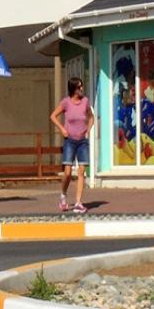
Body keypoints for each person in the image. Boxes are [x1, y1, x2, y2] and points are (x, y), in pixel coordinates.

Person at [51, 77, 94, 212]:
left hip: (82, 140)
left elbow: (91, 116)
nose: (81, 89)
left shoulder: (85, 101)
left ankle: (78, 203)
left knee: (82, 171)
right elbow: (53, 116)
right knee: (68, 172)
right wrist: (62, 129)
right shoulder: (66, 102)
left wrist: (88, 130)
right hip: (70, 140)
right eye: (79, 87)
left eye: (81, 86)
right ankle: (63, 195)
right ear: (73, 89)